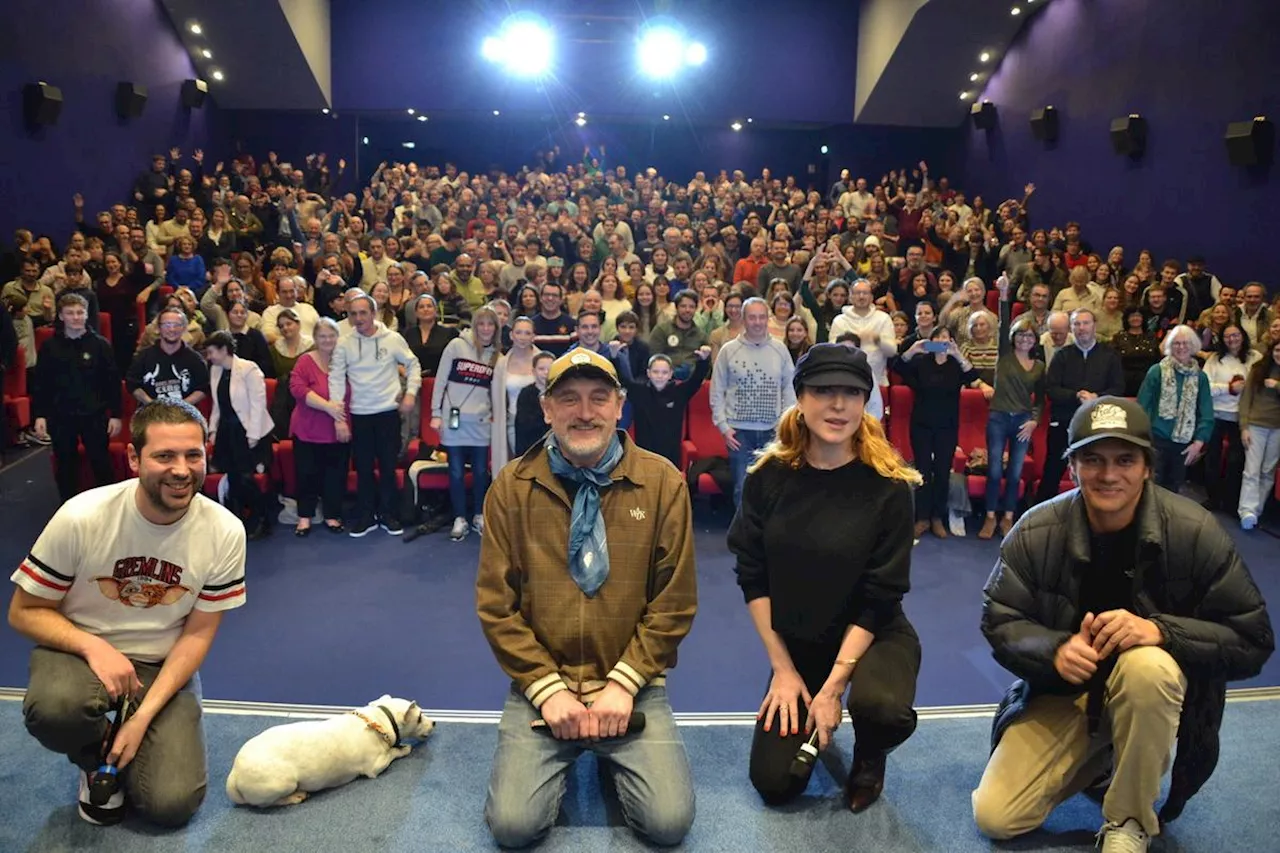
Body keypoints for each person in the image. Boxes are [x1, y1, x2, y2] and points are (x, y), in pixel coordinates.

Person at [972, 396, 1272, 852]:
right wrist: (1053, 649)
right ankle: (1108, 753)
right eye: (1092, 459)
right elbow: (999, 617)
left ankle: (1128, 821)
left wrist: (1164, 632)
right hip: (1070, 695)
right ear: (1072, 466)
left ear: (1147, 466)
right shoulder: (1036, 529)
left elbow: (1253, 640)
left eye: (1124, 459)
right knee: (996, 816)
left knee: (1147, 665)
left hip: (1155, 692)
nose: (1108, 475)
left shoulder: (1195, 531)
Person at [476, 347, 698, 849]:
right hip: (544, 684)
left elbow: (674, 601)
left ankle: (608, 745)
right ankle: (577, 738)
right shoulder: (510, 488)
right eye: (568, 399)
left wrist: (625, 682)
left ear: (620, 406)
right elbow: (496, 605)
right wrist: (546, 688)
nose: (584, 412)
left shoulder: (663, 483)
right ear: (547, 408)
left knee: (668, 825)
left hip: (633, 687)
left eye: (599, 398)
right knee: (513, 828)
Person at [10, 399, 247, 827]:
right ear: (134, 458)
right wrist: (93, 648)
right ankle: (93, 756)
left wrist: (142, 719)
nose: (181, 469)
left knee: (171, 806)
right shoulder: (82, 516)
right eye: (164, 456)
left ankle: (127, 736)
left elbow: (197, 634)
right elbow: (24, 612)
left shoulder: (225, 531)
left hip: (160, 663)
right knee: (56, 709)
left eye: (193, 454)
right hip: (81, 652)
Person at [727, 343, 922, 812]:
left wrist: (834, 688)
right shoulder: (767, 477)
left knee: (882, 707)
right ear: (800, 397)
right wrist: (784, 670)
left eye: (852, 393)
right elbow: (752, 577)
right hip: (800, 642)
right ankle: (810, 703)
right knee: (775, 784)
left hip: (873, 633)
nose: (838, 405)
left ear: (865, 402)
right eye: (824, 390)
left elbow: (881, 595)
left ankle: (870, 753)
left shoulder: (890, 487)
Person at [327, 293, 421, 537]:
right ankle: (366, 516)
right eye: (353, 314)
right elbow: (336, 380)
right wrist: (339, 419)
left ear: (374, 313)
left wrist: (410, 393)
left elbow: (413, 365)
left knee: (389, 467)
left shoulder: (392, 339)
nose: (358, 319)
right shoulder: (344, 343)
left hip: (388, 413)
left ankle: (388, 514)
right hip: (360, 415)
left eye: (363, 313)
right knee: (365, 469)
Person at [33, 294, 121, 503]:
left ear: (87, 314)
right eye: (70, 313)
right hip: (61, 416)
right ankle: (68, 506)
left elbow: (113, 383)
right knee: (65, 466)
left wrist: (116, 415)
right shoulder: (49, 347)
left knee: (101, 463)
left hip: (95, 415)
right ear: (61, 316)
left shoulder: (101, 345)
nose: (75, 317)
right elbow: (40, 384)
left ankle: (109, 505)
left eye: (80, 312)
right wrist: (39, 415)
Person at [711, 297, 797, 506]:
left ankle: (768, 537)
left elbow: (790, 390)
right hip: (739, 433)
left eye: (761, 317)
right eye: (752, 317)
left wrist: (784, 428)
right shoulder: (728, 350)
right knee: (742, 489)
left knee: (773, 489)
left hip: (773, 432)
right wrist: (723, 427)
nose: (757, 322)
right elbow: (716, 390)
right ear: (743, 319)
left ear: (768, 319)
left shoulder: (780, 350)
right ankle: (743, 538)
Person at [898, 327, 980, 538]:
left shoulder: (955, 365)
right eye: (937, 338)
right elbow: (898, 367)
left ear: (951, 341)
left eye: (945, 338)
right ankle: (923, 518)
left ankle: (937, 517)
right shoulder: (921, 362)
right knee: (923, 471)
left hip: (947, 427)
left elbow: (973, 376)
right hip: (922, 425)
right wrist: (914, 349)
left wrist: (956, 353)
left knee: (943, 473)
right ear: (930, 341)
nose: (941, 342)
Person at [1035, 309, 1124, 504]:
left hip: (1098, 424)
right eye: (1076, 324)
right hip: (1064, 422)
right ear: (1071, 329)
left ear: (1094, 326)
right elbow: (1051, 389)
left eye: (1085, 323)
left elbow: (1118, 388)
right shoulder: (1062, 356)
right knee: (1051, 473)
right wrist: (1076, 395)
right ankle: (1038, 517)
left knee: (1096, 474)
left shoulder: (1110, 356)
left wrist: (1096, 397)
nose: (1081, 328)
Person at [431, 305, 502, 541]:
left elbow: (495, 391)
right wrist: (435, 413)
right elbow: (440, 380)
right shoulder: (456, 346)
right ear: (474, 325)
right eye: (481, 323)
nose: (485, 328)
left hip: (481, 422)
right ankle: (459, 517)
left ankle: (478, 515)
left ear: (496, 328)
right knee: (456, 471)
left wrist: (495, 413)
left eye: (490, 324)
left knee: (481, 472)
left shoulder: (497, 355)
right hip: (455, 421)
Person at [980, 305, 1046, 540]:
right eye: (1020, 334)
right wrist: (1005, 295)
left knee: (1015, 473)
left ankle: (1008, 517)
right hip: (998, 417)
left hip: (1022, 421)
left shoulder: (1039, 367)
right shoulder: (1004, 355)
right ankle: (989, 517)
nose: (1024, 339)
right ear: (1013, 337)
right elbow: (1004, 321)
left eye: (1029, 335)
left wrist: (1034, 422)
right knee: (995, 471)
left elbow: (1039, 401)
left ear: (1035, 339)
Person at [205, 331, 276, 540]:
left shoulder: (249, 369)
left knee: (246, 478)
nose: (209, 357)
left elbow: (258, 404)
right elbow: (217, 405)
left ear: (224, 350)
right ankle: (238, 519)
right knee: (233, 477)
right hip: (227, 430)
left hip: (247, 430)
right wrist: (213, 430)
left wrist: (253, 435)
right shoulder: (216, 370)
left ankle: (261, 518)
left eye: (211, 352)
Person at [288, 318, 350, 535]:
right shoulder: (305, 360)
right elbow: (297, 388)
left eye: (331, 335)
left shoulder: (344, 361)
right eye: (322, 336)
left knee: (335, 475)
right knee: (306, 474)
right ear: (315, 338)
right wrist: (328, 407)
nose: (327, 340)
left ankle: (332, 515)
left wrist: (341, 419)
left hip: (338, 430)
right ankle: (305, 517)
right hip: (308, 429)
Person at [1136, 325, 1213, 493]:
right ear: (1170, 347)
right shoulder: (1157, 371)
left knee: (1173, 491)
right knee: (1150, 489)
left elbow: (1206, 412)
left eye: (1185, 343)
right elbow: (1142, 406)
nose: (1181, 347)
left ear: (1193, 346)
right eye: (1176, 344)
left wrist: (1198, 443)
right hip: (1156, 440)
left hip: (1183, 443)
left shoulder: (1200, 377)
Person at [1202, 324, 1259, 512]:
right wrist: (1227, 388)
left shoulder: (1255, 358)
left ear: (1242, 336)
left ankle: (1231, 500)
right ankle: (1213, 498)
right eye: (1227, 336)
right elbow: (1204, 387)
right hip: (1216, 414)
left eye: (1235, 335)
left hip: (1242, 417)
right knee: (1213, 459)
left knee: (1236, 461)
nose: (1231, 339)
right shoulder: (1214, 359)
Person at [126, 306, 210, 406]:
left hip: (184, 416)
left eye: (177, 325)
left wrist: (182, 407)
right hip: (150, 415)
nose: (172, 329)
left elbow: (203, 388)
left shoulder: (195, 359)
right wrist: (152, 405)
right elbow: (132, 384)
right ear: (158, 328)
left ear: (184, 328)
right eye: (167, 325)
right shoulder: (143, 357)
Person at [1238, 338, 1280, 529]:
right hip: (1256, 425)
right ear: (1271, 351)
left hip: (1277, 428)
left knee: (1267, 472)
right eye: (1278, 350)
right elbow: (1246, 399)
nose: (1279, 354)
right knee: (1252, 470)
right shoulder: (1258, 369)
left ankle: (1257, 509)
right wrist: (1244, 427)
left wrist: (1277, 386)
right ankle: (1247, 510)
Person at [511, 351, 553, 456]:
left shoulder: (560, 393)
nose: (546, 372)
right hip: (531, 447)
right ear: (533, 371)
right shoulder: (526, 393)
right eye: (541, 369)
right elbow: (522, 425)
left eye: (550, 369)